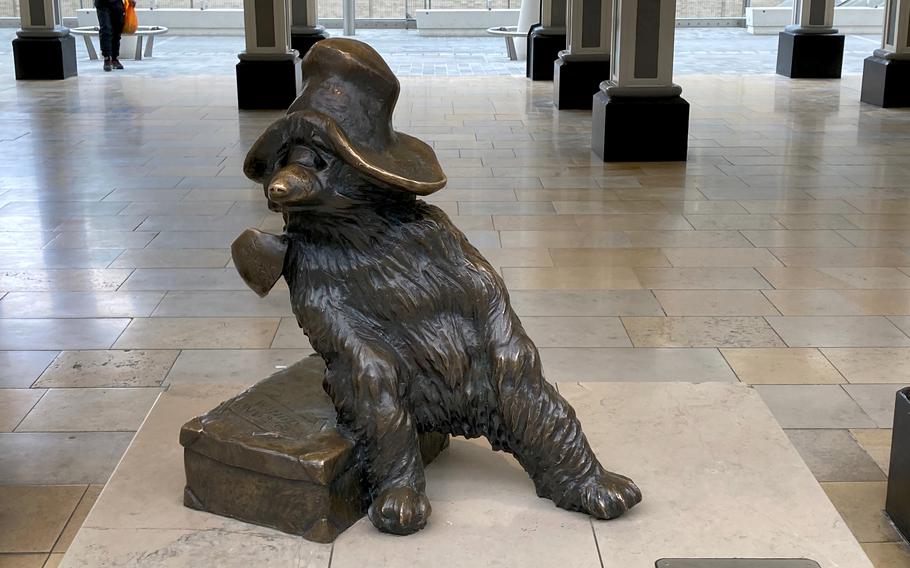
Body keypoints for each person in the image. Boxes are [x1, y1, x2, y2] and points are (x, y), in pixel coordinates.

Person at [95, 0, 135, 71]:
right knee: (106, 29)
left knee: (117, 30)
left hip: (117, 3)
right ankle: (107, 58)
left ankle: (114, 58)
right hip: (102, 4)